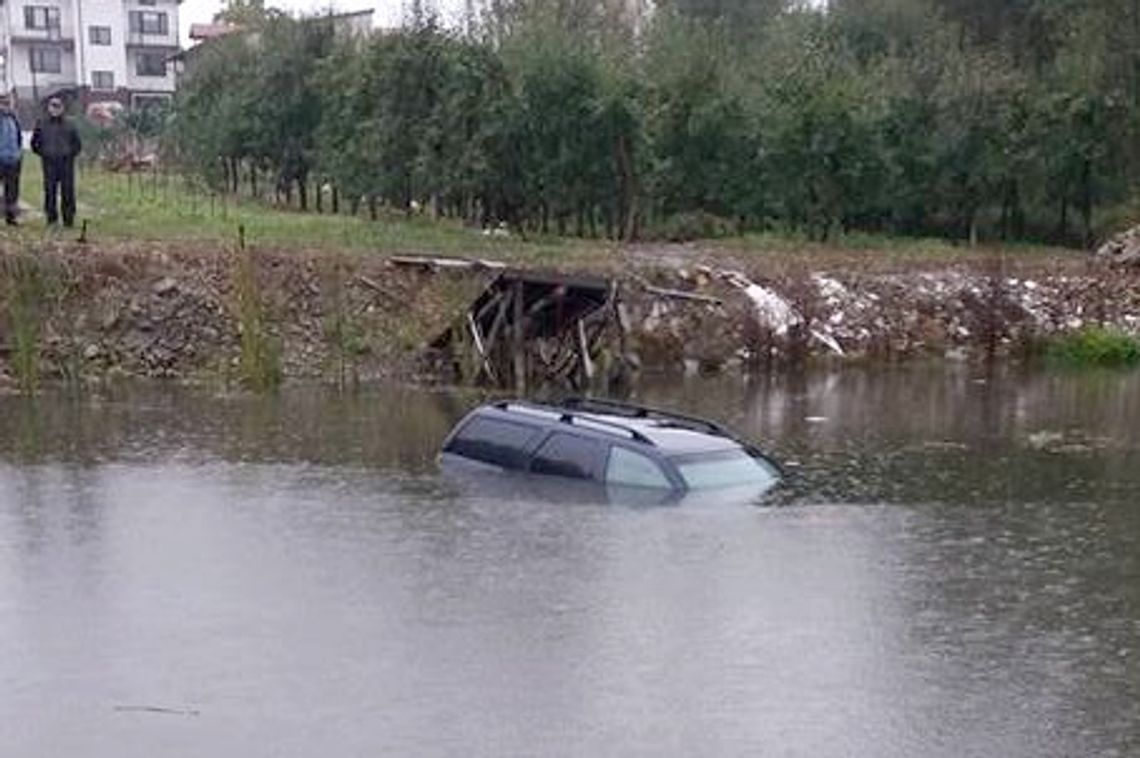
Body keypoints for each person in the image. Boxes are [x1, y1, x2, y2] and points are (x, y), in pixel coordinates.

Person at [31, 96, 81, 228]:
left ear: (62, 108)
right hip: (49, 164)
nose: (55, 109)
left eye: (58, 106)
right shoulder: (41, 123)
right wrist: (44, 154)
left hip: (66, 164)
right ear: (48, 108)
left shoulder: (70, 124)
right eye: (53, 106)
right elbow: (34, 143)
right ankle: (51, 219)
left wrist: (69, 155)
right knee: (50, 192)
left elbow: (77, 144)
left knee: (68, 192)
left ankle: (68, 220)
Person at [0, 93, 23, 226]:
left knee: (12, 190)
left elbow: (18, 138)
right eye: (3, 103)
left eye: (8, 103)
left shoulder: (14, 118)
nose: (6, 106)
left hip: (13, 160)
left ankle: (11, 217)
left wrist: (19, 154)